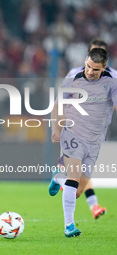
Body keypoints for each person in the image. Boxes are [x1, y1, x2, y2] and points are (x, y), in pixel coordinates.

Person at [48, 48, 117, 237]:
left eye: (95, 69)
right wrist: (56, 129)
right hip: (73, 135)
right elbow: (57, 105)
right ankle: (69, 226)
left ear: (103, 68)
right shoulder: (72, 81)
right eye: (88, 66)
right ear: (85, 61)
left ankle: (58, 178)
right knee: (74, 178)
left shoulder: (111, 83)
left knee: (78, 191)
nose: (89, 71)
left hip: (94, 141)